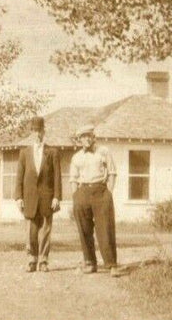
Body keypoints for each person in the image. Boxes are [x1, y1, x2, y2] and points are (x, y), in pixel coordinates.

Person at [70, 125, 121, 277]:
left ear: (93, 137)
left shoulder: (104, 151)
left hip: (101, 191)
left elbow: (112, 173)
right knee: (84, 229)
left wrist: (108, 193)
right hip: (83, 192)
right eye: (83, 137)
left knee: (105, 228)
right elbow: (73, 179)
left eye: (88, 135)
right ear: (79, 140)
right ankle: (90, 262)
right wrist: (76, 197)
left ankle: (111, 265)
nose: (86, 139)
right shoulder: (76, 157)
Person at [14, 116, 60, 273]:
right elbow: (19, 177)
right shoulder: (24, 153)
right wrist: (19, 197)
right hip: (30, 198)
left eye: (39, 131)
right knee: (31, 231)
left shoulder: (52, 152)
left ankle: (43, 261)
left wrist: (56, 197)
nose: (37, 134)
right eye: (34, 131)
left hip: (47, 197)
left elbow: (57, 177)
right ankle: (31, 260)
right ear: (31, 133)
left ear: (44, 132)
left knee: (46, 229)